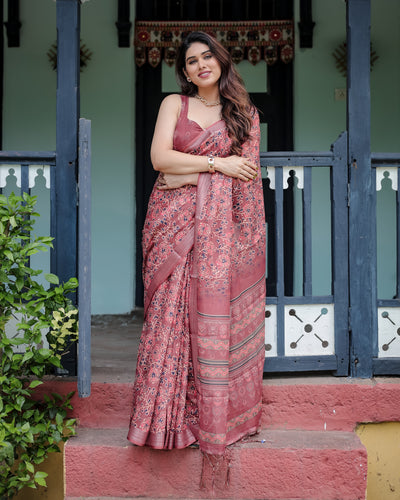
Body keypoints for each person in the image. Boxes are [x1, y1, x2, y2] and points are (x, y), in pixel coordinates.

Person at [127, 31, 266, 459]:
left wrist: (190, 175)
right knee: (168, 313)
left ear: (221, 61)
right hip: (170, 224)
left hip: (219, 233)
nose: (201, 65)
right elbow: (159, 160)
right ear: (183, 71)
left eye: (208, 57)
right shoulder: (175, 104)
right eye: (191, 61)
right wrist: (217, 164)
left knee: (206, 315)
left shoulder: (244, 114)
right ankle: (159, 420)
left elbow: (246, 176)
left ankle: (201, 417)